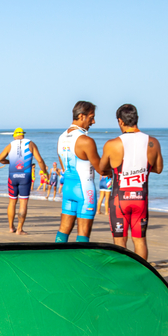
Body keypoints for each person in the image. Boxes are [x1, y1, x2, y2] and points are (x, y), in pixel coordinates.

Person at [98, 103, 164, 261]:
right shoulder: (153, 142)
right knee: (140, 241)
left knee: (120, 242)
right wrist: (141, 169)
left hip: (119, 200)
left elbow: (102, 168)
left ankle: (122, 274)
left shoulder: (112, 144)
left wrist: (114, 170)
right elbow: (158, 168)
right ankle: (141, 273)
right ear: (137, 119)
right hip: (141, 198)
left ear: (120, 121)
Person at [56, 101, 102, 243]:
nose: (93, 122)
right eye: (91, 117)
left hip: (68, 188)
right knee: (83, 234)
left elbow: (63, 166)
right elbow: (101, 169)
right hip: (85, 190)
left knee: (63, 230)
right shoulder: (86, 141)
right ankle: (81, 257)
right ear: (81, 116)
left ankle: (57, 255)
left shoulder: (61, 138)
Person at [0, 127, 48, 234]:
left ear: (14, 136)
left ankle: (11, 227)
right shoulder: (30, 143)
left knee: (12, 202)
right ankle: (19, 229)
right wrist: (45, 172)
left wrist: (10, 162)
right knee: (23, 203)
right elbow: (39, 160)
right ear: (23, 135)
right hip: (25, 176)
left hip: (12, 176)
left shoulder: (10, 145)